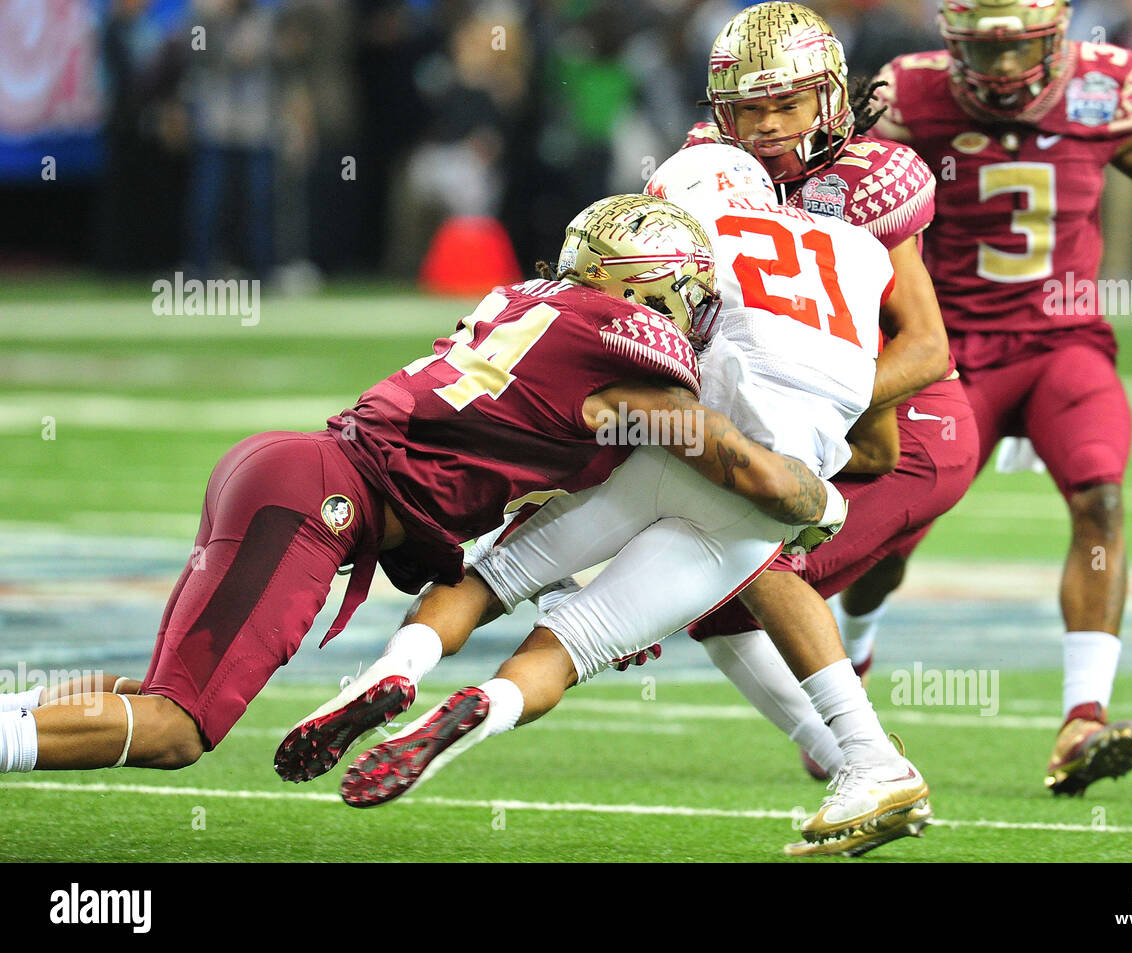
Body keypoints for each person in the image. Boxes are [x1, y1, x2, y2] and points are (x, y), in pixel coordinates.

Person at [0, 194, 841, 777]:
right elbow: (748, 469)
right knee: (176, 730)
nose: (693, 311)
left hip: (290, 470)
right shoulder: (625, 363)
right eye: (684, 292)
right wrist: (824, 498)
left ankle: (15, 714)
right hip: (321, 498)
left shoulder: (529, 302)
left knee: (160, 696)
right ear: (644, 290)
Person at [282, 144, 949, 857]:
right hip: (759, 490)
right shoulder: (858, 251)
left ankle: (395, 669)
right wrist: (820, 487)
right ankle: (482, 708)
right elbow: (876, 424)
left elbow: (638, 320)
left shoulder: (688, 235)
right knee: (573, 646)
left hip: (668, 447)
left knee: (489, 579)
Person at [844, 0, 1132, 794]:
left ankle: (1082, 717)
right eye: (982, 53)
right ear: (952, 43)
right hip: (949, 349)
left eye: (1016, 51)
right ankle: (854, 652)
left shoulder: (1104, 87)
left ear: (1057, 36)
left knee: (1100, 496)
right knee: (893, 533)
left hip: (1064, 338)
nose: (999, 72)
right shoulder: (911, 96)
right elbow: (856, 214)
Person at [674, 2, 979, 801]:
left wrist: (809, 400)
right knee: (706, 583)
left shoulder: (865, 182)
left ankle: (861, 758)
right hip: (806, 424)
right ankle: (844, 752)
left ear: (831, 98)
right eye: (750, 108)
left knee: (733, 579)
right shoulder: (710, 168)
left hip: (909, 430)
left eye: (787, 104)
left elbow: (926, 348)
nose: (768, 126)